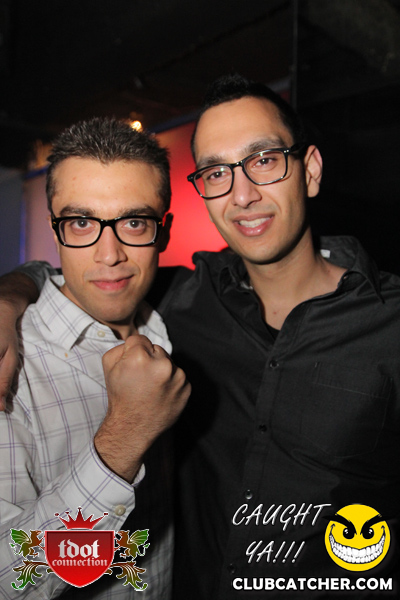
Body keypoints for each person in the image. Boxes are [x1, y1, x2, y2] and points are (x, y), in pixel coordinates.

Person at [0, 75, 399, 598]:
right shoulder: (182, 304)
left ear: (311, 170)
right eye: (216, 172)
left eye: (264, 160)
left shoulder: (171, 311)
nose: (243, 194)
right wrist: (11, 296)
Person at [0, 117, 190, 599]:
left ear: (163, 232)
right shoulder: (10, 367)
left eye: (134, 222)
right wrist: (123, 439)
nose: (109, 254)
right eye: (82, 222)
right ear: (56, 231)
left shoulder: (169, 321)